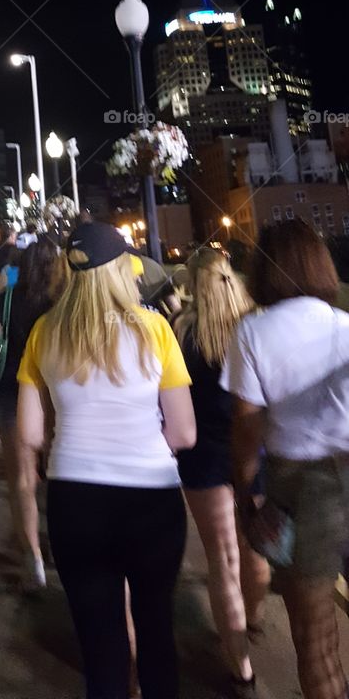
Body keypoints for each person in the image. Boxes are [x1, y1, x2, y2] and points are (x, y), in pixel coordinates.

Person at [17, 221, 196, 699]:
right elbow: (184, 431)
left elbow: (30, 433)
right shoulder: (155, 328)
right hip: (152, 499)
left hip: (75, 498)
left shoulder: (43, 332)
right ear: (121, 271)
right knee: (157, 630)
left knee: (101, 646)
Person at [223, 218, 349, 699]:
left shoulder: (252, 331)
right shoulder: (344, 323)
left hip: (300, 487)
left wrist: (246, 493)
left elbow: (247, 425)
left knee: (315, 642)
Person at [173, 247, 269, 692]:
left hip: (204, 456)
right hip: (253, 450)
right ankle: (256, 619)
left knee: (221, 558)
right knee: (254, 545)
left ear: (193, 284)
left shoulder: (184, 332)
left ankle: (241, 669)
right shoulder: (255, 325)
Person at [0, 234, 64, 590]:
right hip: (57, 396)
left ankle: (32, 559)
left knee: (23, 480)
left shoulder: (12, 291)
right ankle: (63, 547)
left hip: (14, 392)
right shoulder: (62, 298)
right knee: (60, 476)